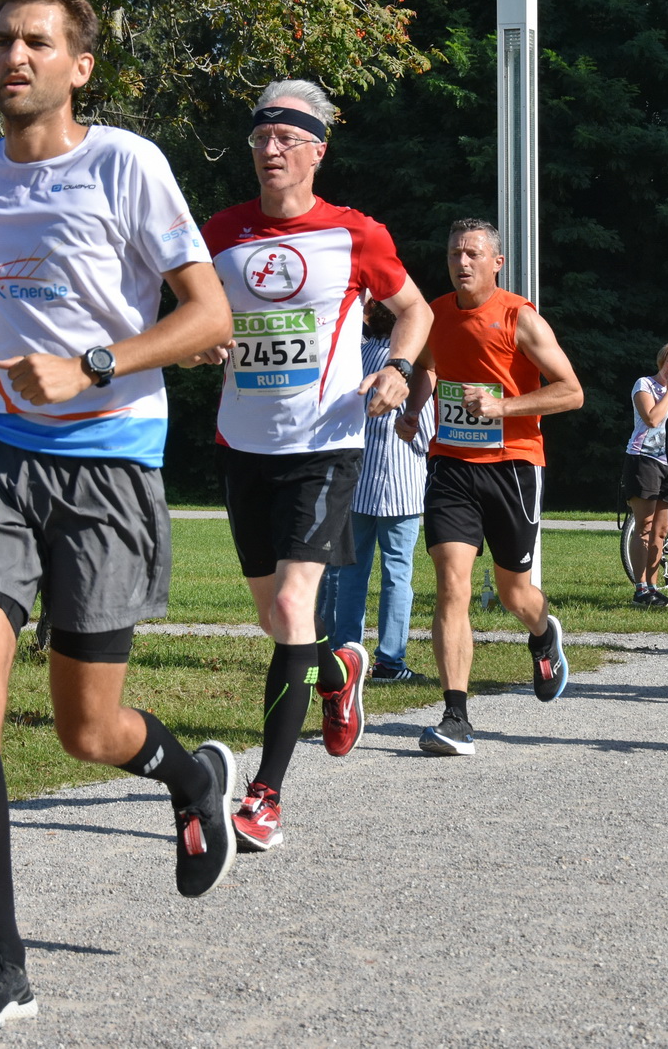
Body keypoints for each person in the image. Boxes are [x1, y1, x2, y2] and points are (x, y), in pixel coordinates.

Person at [0, 0, 236, 1028]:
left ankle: (185, 776)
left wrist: (93, 362)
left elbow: (207, 315)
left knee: (86, 729)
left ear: (79, 65)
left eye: (35, 42)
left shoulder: (125, 163)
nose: (12, 58)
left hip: (112, 461)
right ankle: (3, 964)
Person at [199, 79, 433, 838]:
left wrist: (397, 368)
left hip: (326, 443)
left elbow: (416, 309)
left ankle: (265, 791)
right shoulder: (220, 233)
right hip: (244, 444)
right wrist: (199, 338)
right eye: (260, 139)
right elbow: (186, 313)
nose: (270, 151)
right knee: (276, 618)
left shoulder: (354, 233)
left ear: (316, 152)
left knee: (297, 607)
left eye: (285, 139)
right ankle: (339, 674)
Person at [396, 218, 583, 755]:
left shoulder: (519, 317)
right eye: (456, 252)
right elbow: (428, 368)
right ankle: (456, 716)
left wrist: (505, 405)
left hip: (513, 467)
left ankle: (543, 632)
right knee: (452, 584)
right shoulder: (432, 315)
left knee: (513, 594)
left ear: (496, 262)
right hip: (451, 464)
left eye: (474, 253)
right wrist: (414, 407)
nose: (463, 262)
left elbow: (571, 392)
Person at [321, 298, 436, 680]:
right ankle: (390, 660)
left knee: (351, 573)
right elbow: (424, 427)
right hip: (402, 482)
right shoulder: (410, 364)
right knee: (397, 574)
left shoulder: (358, 354)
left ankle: (344, 652)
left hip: (358, 479)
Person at [624, 342, 668, 605]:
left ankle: (652, 588)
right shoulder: (645, 385)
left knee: (661, 530)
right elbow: (652, 419)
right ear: (661, 360)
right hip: (644, 459)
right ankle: (640, 587)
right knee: (644, 525)